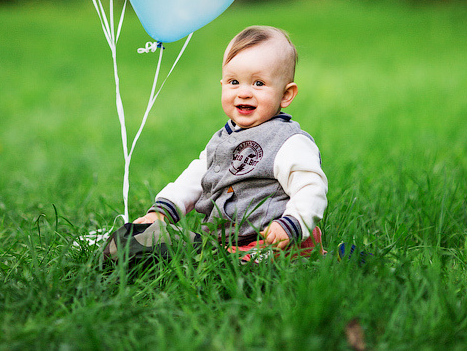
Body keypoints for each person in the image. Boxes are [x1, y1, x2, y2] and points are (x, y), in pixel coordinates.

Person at [110, 25, 327, 263]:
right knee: (167, 247)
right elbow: (195, 178)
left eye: (258, 83)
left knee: (235, 267)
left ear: (286, 95)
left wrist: (292, 223)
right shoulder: (223, 138)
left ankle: (291, 258)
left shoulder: (288, 141)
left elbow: (310, 187)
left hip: (272, 238)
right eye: (234, 81)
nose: (243, 93)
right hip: (229, 239)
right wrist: (164, 210)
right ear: (222, 85)